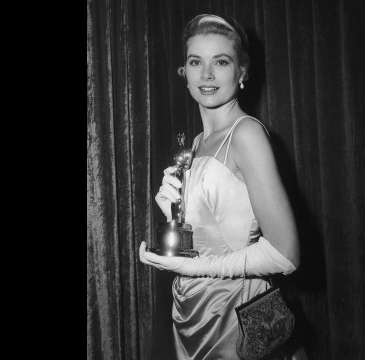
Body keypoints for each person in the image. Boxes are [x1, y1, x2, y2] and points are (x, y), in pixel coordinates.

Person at [139, 14, 300, 360]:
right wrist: (173, 219)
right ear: (185, 72)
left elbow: (285, 255)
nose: (207, 75)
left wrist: (193, 267)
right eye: (196, 62)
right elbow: (209, 237)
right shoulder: (197, 141)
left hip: (234, 320)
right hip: (191, 314)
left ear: (241, 72)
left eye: (221, 62)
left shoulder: (246, 135)